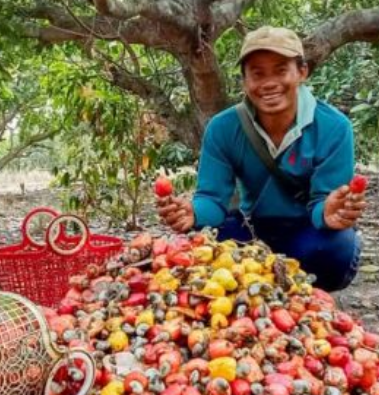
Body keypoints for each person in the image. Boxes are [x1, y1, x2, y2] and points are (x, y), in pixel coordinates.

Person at [157, 26, 366, 291]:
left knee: (337, 248)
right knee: (198, 244)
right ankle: (249, 293)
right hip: (252, 230)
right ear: (245, 81)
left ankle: (311, 298)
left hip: (306, 229)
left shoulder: (334, 127)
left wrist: (329, 212)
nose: (269, 83)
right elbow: (212, 199)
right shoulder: (224, 128)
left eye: (280, 70)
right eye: (257, 73)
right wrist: (192, 213)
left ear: (302, 72)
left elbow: (322, 205)